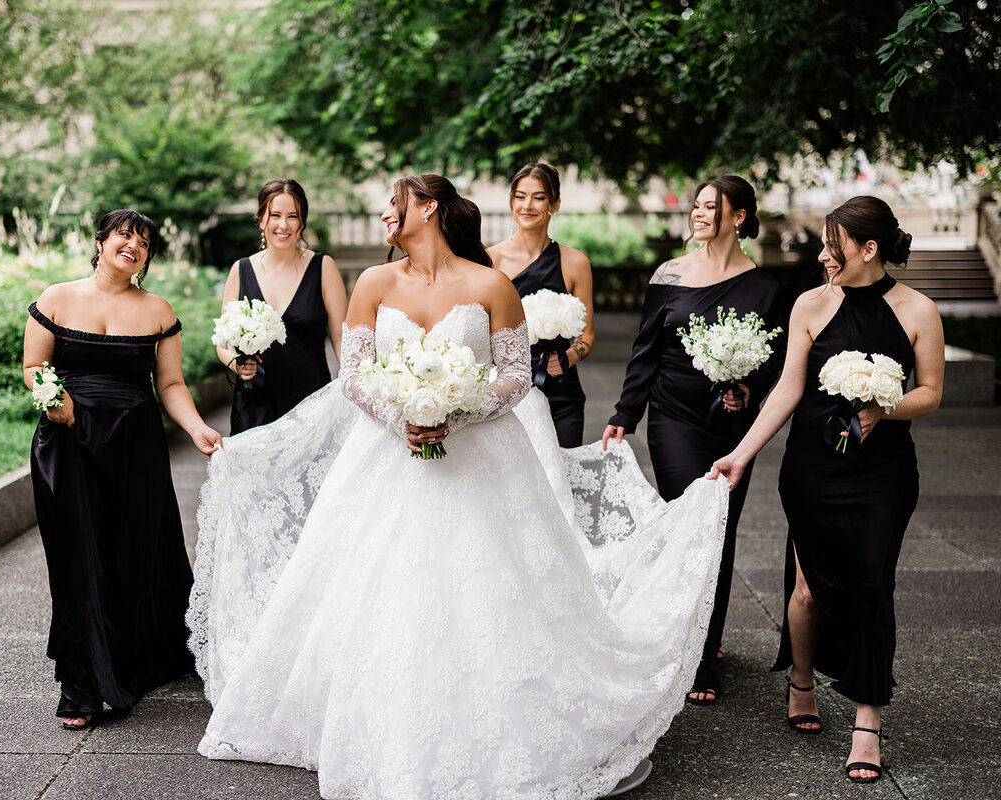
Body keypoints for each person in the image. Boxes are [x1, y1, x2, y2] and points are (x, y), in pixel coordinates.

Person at [186, 174, 732, 799]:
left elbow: (515, 376)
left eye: (396, 205)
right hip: (385, 459)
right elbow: (357, 375)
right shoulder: (373, 283)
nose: (388, 215)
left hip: (480, 460)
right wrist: (405, 418)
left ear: (429, 210)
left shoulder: (490, 284)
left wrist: (455, 412)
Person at [710, 196, 944, 783]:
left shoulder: (918, 310)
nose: (823, 255)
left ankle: (868, 719)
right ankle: (802, 679)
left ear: (869, 249)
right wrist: (741, 454)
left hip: (883, 474)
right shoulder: (810, 304)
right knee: (809, 591)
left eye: (834, 245)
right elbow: (788, 389)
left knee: (872, 586)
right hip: (812, 469)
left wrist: (881, 405)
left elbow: (932, 393)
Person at [23, 209, 222, 730]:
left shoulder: (158, 310)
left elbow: (171, 385)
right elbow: (32, 367)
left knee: (136, 550)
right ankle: (82, 685)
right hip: (70, 443)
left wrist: (198, 427)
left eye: (144, 241)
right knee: (78, 558)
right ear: (102, 241)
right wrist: (52, 397)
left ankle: (137, 656)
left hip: (135, 448)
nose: (133, 244)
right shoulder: (57, 298)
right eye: (124, 235)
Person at [602, 176, 787, 706]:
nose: (700, 214)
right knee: (691, 523)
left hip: (732, 428)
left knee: (721, 532)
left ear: (740, 217)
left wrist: (746, 391)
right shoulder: (671, 273)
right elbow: (646, 348)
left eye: (713, 207)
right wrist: (625, 413)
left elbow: (774, 365)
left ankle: (707, 644)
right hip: (673, 417)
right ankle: (690, 652)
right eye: (698, 205)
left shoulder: (766, 289)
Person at [216, 179, 347, 434]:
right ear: (261, 219)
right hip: (255, 405)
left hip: (311, 406)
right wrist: (237, 364)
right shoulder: (241, 270)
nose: (283, 225)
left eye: (292, 216)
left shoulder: (323, 267)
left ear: (302, 222)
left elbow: (341, 338)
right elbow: (223, 341)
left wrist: (353, 385)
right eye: (275, 215)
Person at [488, 163, 595, 446]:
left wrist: (567, 358)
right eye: (520, 196)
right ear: (511, 202)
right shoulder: (490, 261)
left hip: (562, 392)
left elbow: (587, 335)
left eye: (539, 197)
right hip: (508, 391)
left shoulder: (575, 262)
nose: (528, 205)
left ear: (555, 204)